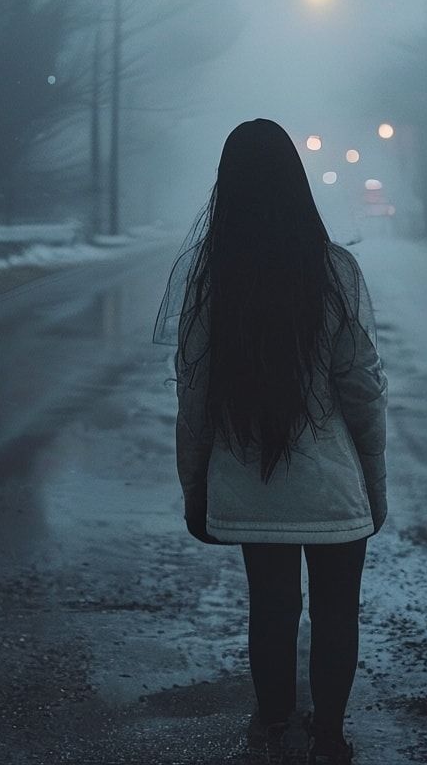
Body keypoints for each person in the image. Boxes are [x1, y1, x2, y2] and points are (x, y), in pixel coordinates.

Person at [153, 118, 388, 765]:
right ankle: (331, 738)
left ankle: (275, 727)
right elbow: (362, 387)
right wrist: (374, 479)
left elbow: (193, 398)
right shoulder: (335, 271)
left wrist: (194, 486)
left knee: (271, 609)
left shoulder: (214, 282)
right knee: (339, 614)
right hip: (333, 485)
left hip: (252, 486)